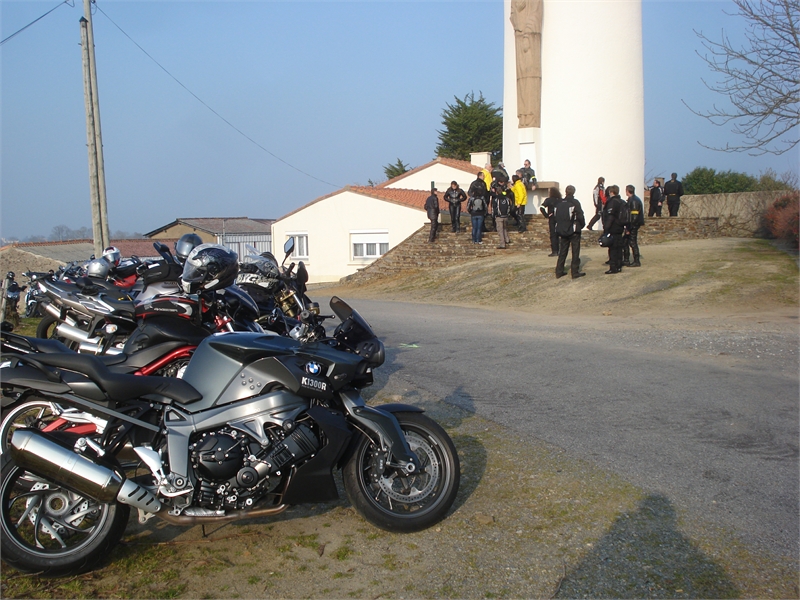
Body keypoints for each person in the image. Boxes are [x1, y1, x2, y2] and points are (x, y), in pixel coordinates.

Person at [554, 185, 586, 279]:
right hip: (573, 230)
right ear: (574, 192)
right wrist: (581, 225)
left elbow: (556, 217)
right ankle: (574, 272)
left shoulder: (559, 203)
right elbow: (580, 215)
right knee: (575, 251)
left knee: (563, 251)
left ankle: (559, 271)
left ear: (566, 192)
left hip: (562, 230)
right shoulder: (575, 202)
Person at [602, 185, 626, 274]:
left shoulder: (612, 202)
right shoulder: (622, 202)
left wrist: (606, 228)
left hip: (613, 227)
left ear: (611, 192)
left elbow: (610, 216)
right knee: (619, 248)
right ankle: (619, 265)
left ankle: (613, 267)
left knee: (613, 248)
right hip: (620, 227)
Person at [623, 185, 645, 267]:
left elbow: (634, 216)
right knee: (625, 242)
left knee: (632, 242)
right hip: (632, 224)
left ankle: (636, 261)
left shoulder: (634, 201)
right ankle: (626, 260)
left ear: (627, 191)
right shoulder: (633, 199)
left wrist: (629, 228)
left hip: (633, 225)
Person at [467, 173, 489, 244]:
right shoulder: (482, 184)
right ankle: (478, 240)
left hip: (474, 212)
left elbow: (468, 206)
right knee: (479, 227)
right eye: (483, 176)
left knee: (474, 227)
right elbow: (486, 195)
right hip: (480, 212)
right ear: (480, 176)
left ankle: (474, 240)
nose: (484, 177)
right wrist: (485, 211)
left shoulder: (474, 184)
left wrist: (471, 211)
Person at [540, 187, 561, 256]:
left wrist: (546, 215)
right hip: (560, 219)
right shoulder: (561, 200)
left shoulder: (548, 200)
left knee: (553, 234)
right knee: (560, 234)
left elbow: (542, 208)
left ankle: (555, 251)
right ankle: (560, 250)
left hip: (552, 219)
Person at [491, 181, 513, 249]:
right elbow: (509, 207)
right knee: (505, 228)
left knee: (500, 230)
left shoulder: (496, 199)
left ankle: (502, 244)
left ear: (496, 192)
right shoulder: (506, 199)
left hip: (499, 216)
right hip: (506, 216)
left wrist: (494, 216)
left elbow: (494, 209)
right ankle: (507, 239)